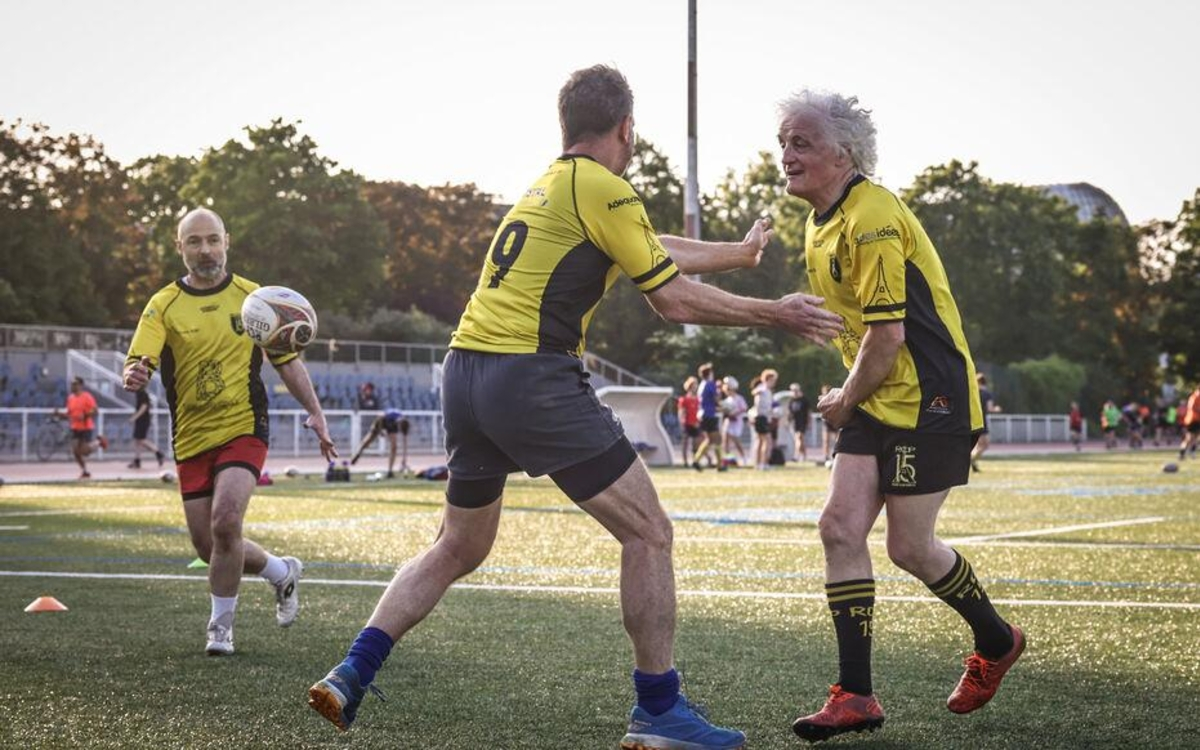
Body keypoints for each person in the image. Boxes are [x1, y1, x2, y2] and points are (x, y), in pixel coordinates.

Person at [307, 65, 842, 750]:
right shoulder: (606, 188)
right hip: (530, 376)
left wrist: (738, 257)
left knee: (457, 546)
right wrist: (776, 312)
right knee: (649, 532)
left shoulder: (553, 184)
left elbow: (647, 249)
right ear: (626, 129)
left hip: (465, 372)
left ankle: (353, 670)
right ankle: (659, 711)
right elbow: (668, 295)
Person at [779, 89, 1024, 742]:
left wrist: (843, 399)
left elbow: (887, 337)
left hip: (930, 399)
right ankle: (855, 695)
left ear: (845, 152)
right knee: (838, 526)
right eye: (782, 141)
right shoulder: (819, 222)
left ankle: (997, 641)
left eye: (801, 142)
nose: (786, 154)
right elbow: (865, 325)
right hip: (877, 392)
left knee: (910, 547)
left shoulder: (874, 213)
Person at [122, 207, 337, 656]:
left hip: (244, 426)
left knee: (226, 521)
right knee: (209, 543)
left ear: (227, 241)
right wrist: (135, 374)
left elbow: (286, 361)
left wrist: (315, 412)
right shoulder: (163, 304)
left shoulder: (255, 299)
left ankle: (220, 628)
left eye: (212, 240)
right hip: (191, 435)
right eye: (195, 242)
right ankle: (281, 570)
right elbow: (139, 360)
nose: (206, 250)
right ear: (179, 248)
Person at [55, 377, 108, 479]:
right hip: (75, 427)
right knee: (75, 451)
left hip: (86, 427)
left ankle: (99, 442)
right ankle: (85, 471)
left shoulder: (87, 397)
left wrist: (85, 415)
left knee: (85, 451)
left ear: (80, 385)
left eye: (75, 384)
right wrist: (59, 414)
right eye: (72, 384)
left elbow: (95, 410)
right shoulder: (70, 398)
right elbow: (69, 414)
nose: (72, 386)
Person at [351, 407, 411, 478]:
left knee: (394, 447)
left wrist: (404, 459)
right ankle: (358, 453)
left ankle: (390, 471)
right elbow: (379, 417)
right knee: (368, 441)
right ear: (399, 424)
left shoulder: (403, 425)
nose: (399, 431)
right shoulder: (391, 416)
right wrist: (380, 431)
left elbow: (405, 443)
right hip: (381, 422)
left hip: (391, 426)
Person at [127, 387, 165, 469]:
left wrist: (134, 417)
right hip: (140, 421)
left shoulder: (142, 393)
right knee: (137, 440)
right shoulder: (139, 393)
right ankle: (137, 460)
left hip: (143, 420)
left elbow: (144, 407)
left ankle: (158, 453)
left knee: (141, 440)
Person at [969, 373, 1001, 472]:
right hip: (981, 421)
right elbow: (990, 408)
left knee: (978, 445)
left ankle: (973, 463)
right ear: (985, 382)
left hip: (971, 420)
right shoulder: (987, 394)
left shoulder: (973, 392)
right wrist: (997, 409)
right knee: (985, 445)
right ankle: (970, 460)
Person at [751, 368, 778, 470]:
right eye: (773, 380)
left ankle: (758, 464)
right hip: (761, 417)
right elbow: (755, 392)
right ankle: (763, 464)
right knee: (767, 441)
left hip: (763, 418)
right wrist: (759, 390)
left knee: (761, 441)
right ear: (768, 379)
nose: (774, 382)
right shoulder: (763, 388)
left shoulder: (768, 391)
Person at [719, 375, 748, 468]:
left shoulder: (739, 398)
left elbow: (744, 408)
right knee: (725, 442)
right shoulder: (727, 400)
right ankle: (728, 460)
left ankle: (744, 458)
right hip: (728, 422)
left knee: (736, 441)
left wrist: (735, 413)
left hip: (736, 422)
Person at [676, 376, 701, 467]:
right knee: (685, 443)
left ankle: (695, 461)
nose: (695, 387)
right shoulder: (684, 399)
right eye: (694, 385)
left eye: (696, 385)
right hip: (687, 424)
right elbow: (681, 412)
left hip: (696, 424)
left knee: (696, 443)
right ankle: (685, 462)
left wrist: (699, 422)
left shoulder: (698, 399)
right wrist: (682, 422)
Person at [788, 383, 811, 462]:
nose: (794, 392)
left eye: (796, 390)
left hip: (802, 421)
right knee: (800, 440)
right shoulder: (791, 401)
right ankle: (804, 455)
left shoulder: (804, 400)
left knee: (799, 437)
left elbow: (808, 412)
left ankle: (796, 456)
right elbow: (790, 413)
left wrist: (809, 422)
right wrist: (787, 421)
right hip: (795, 422)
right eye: (793, 390)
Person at [817, 383, 838, 463]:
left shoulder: (834, 399)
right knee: (826, 440)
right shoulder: (821, 399)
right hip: (826, 422)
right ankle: (826, 456)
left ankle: (835, 454)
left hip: (834, 420)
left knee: (836, 439)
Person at [1179, 385, 1200, 460]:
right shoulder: (1194, 396)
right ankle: (1182, 453)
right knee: (1189, 437)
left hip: (1198, 420)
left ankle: (1192, 451)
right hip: (1192, 419)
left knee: (1197, 437)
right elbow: (1192, 408)